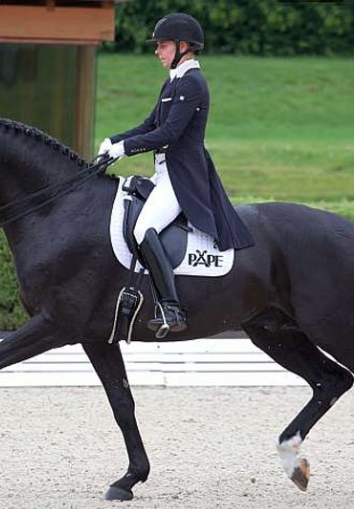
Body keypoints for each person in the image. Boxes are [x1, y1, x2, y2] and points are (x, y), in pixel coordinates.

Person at [100, 12, 254, 335]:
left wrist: (126, 150)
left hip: (182, 179)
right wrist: (114, 142)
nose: (158, 51)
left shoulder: (193, 83)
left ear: (184, 47)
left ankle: (172, 309)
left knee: (144, 229)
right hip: (163, 175)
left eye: (163, 45)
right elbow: (148, 126)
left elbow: (168, 133)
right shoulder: (173, 81)